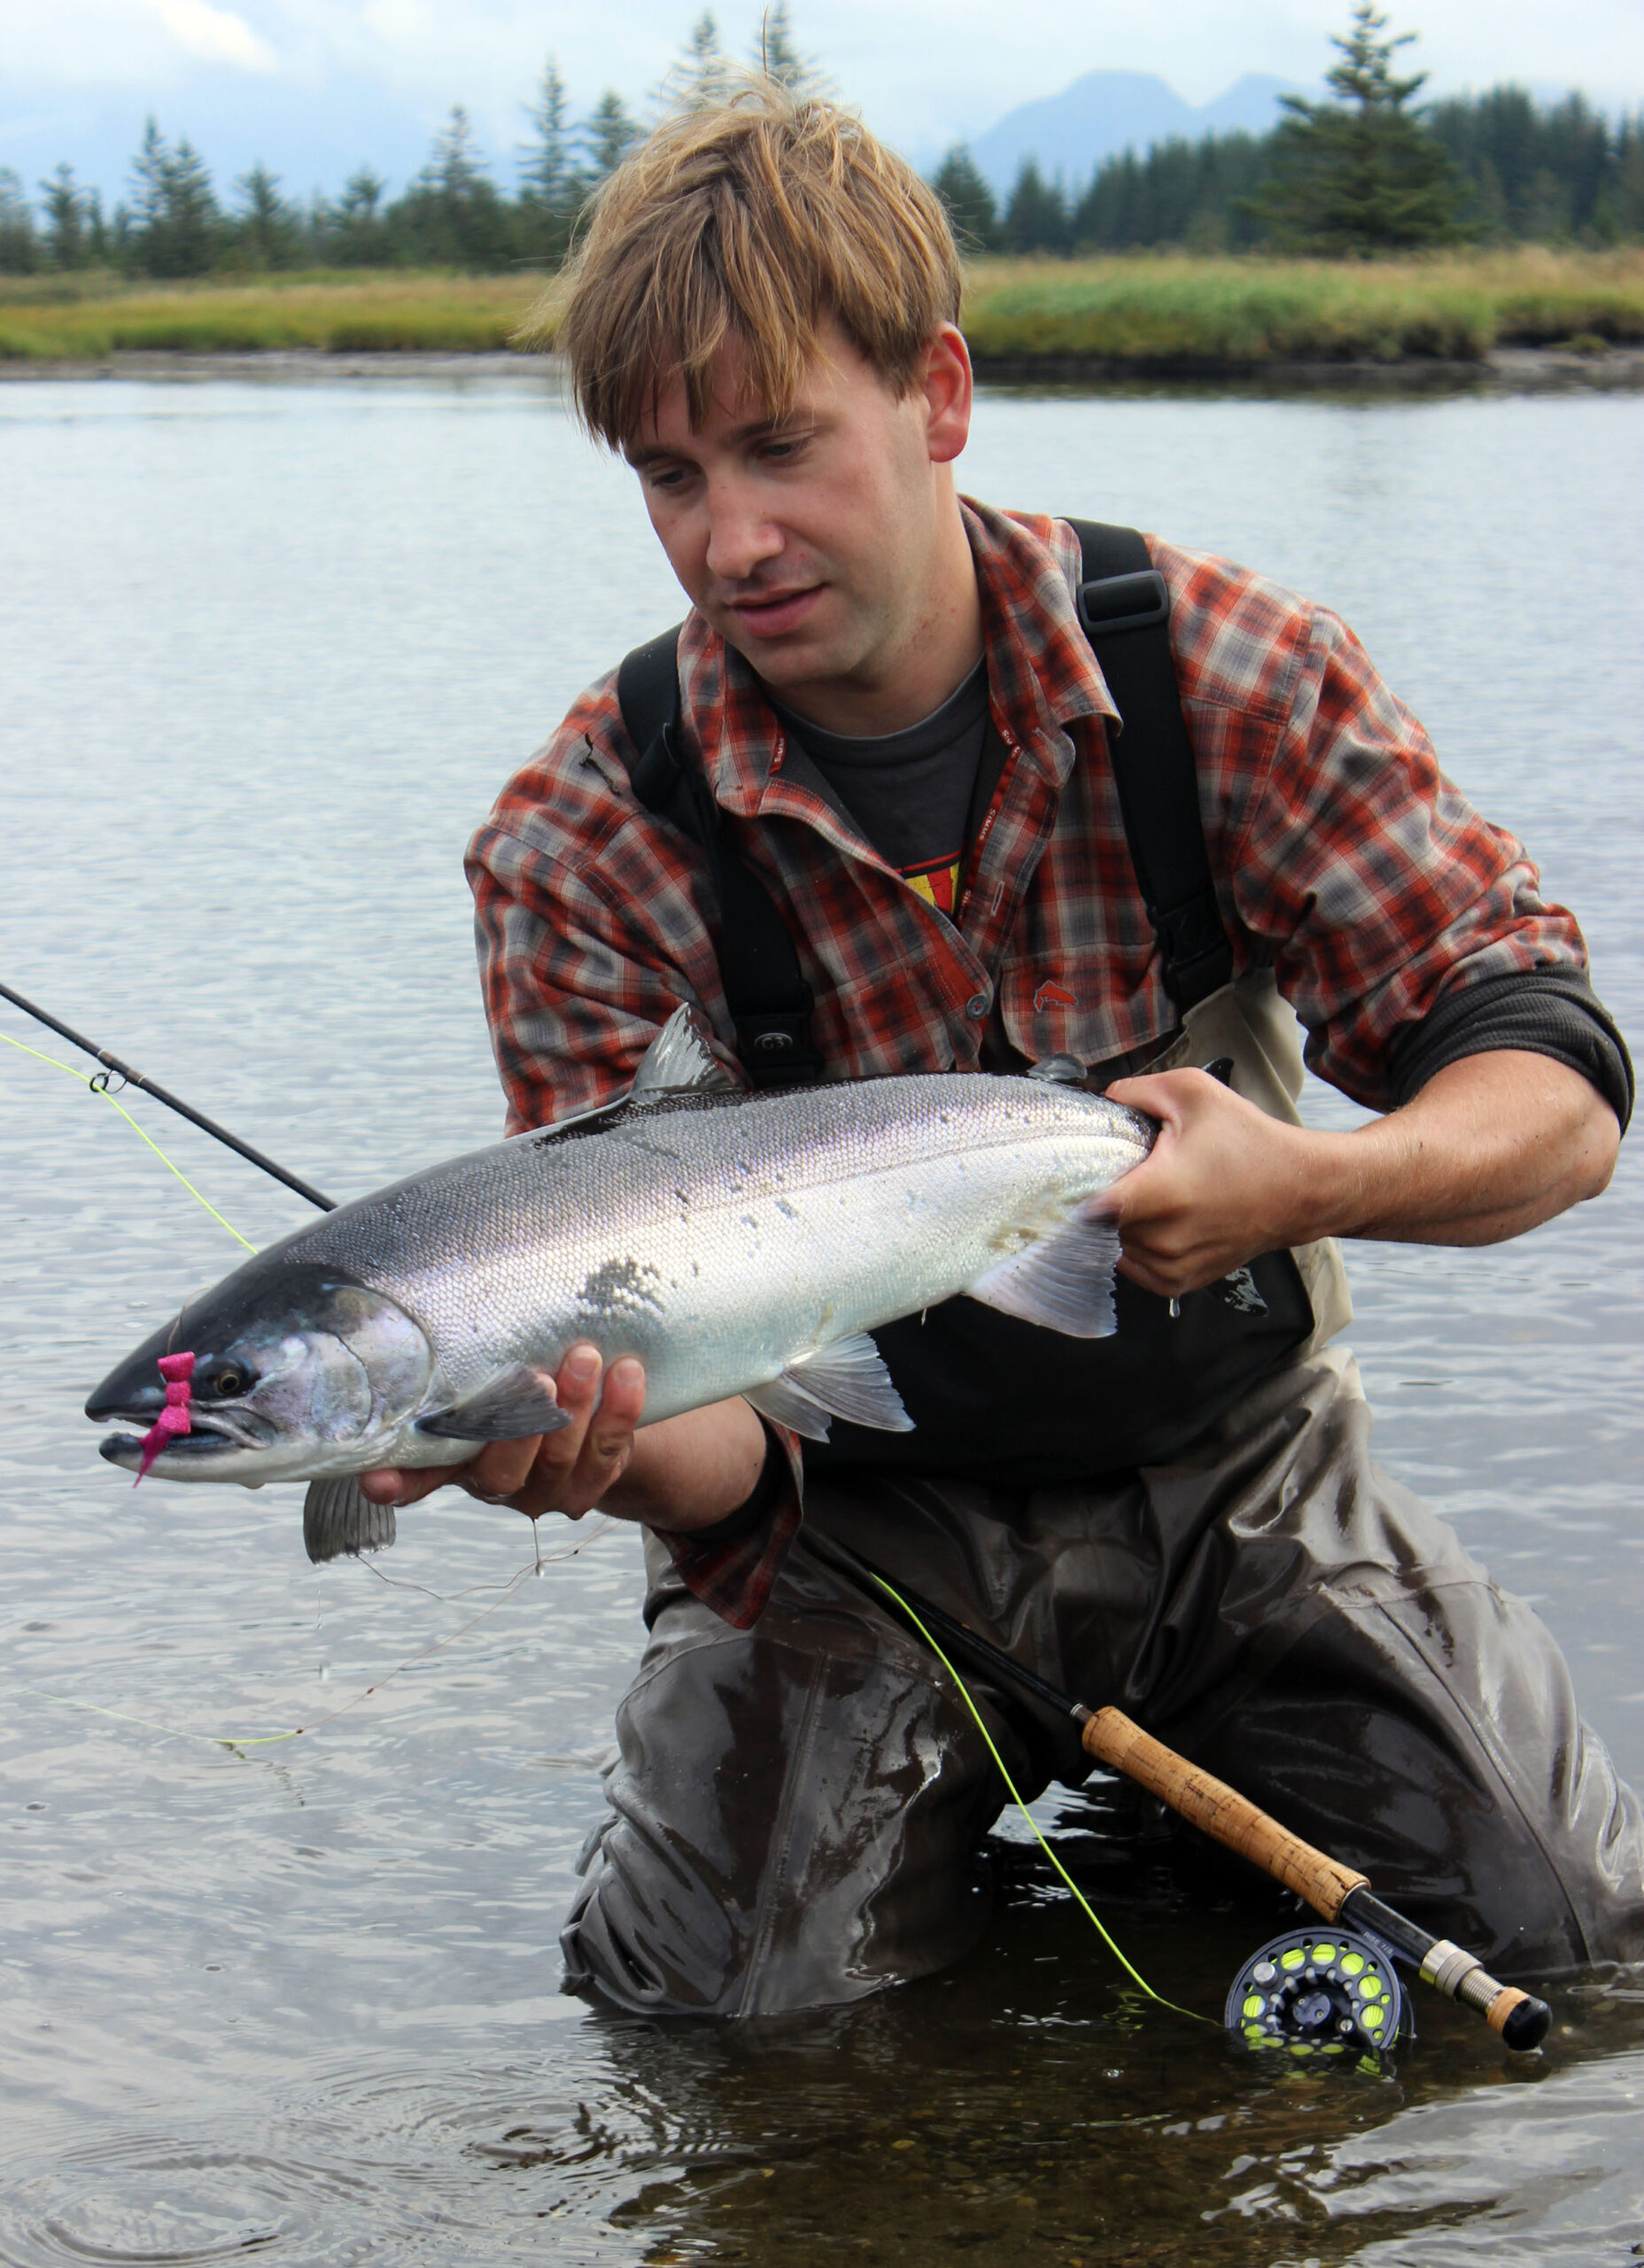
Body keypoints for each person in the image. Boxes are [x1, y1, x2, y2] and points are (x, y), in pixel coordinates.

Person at [361, 83, 1640, 2017]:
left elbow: (1552, 1097)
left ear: (938, 391)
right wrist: (595, 1446)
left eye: (780, 447)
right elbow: (717, 1453)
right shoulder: (577, 840)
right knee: (730, 2022)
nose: (728, 536)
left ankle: (1184, 1831)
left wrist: (1313, 1182)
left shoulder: (1226, 677)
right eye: (669, 474)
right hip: (847, 1522)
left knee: (1559, 1939)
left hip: (1241, 1471)